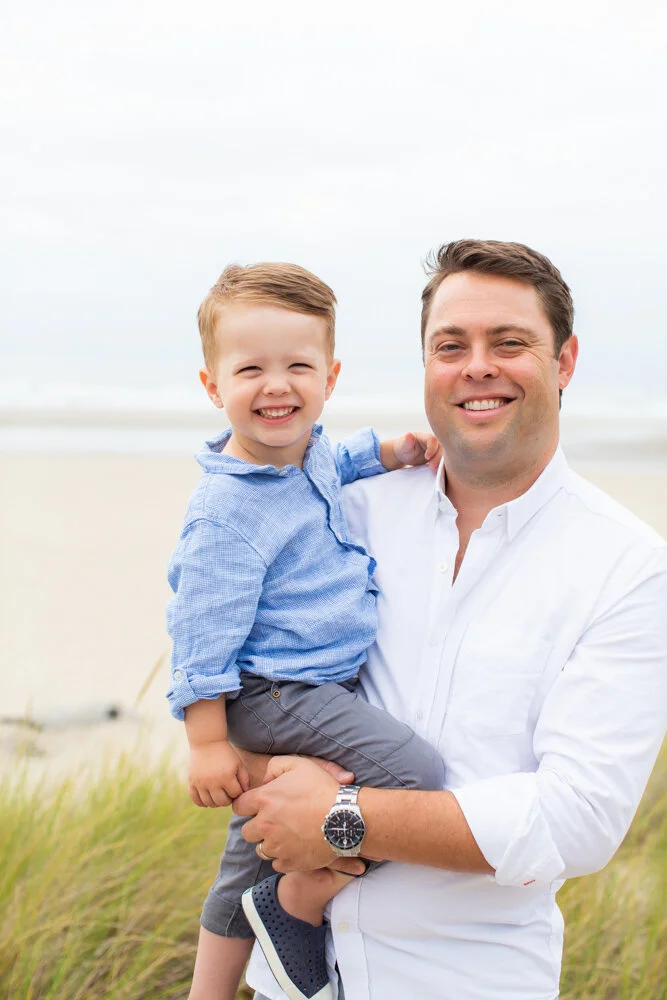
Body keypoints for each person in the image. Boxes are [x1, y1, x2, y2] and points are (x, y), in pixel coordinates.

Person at [235, 240, 667, 1000]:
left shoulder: (628, 568)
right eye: (450, 346)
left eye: (510, 343)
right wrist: (271, 776)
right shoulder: (348, 513)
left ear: (563, 363)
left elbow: (574, 819)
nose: (477, 367)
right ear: (426, 365)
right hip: (288, 983)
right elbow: (246, 666)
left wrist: (340, 818)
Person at [166, 262, 448, 1000]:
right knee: (411, 777)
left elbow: (341, 458)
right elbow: (200, 632)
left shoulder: (308, 452)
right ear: (211, 385)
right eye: (250, 368)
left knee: (247, 851)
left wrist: (395, 452)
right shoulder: (225, 511)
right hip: (276, 690)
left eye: (298, 365)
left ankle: (208, 991)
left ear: (330, 375)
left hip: (306, 685)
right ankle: (302, 897)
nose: (276, 385)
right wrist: (207, 743)